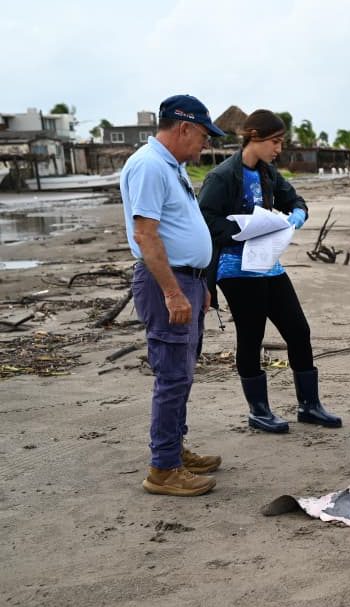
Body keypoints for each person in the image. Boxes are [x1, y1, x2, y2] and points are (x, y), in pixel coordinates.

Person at [198, 109, 341, 434]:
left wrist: (298, 215)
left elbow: (296, 199)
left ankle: (309, 406)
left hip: (269, 266)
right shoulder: (222, 176)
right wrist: (243, 230)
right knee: (251, 337)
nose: (278, 149)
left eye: (281, 142)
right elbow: (205, 220)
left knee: (299, 332)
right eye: (275, 142)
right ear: (254, 137)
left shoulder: (267, 173)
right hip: (235, 269)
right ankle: (259, 412)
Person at [119, 94, 226, 496]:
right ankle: (163, 468)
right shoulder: (149, 166)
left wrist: (199, 286)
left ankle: (174, 450)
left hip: (187, 281)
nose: (205, 144)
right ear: (183, 128)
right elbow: (145, 234)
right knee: (172, 375)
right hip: (170, 282)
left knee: (182, 373)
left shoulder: (170, 166)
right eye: (202, 135)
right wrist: (173, 292)